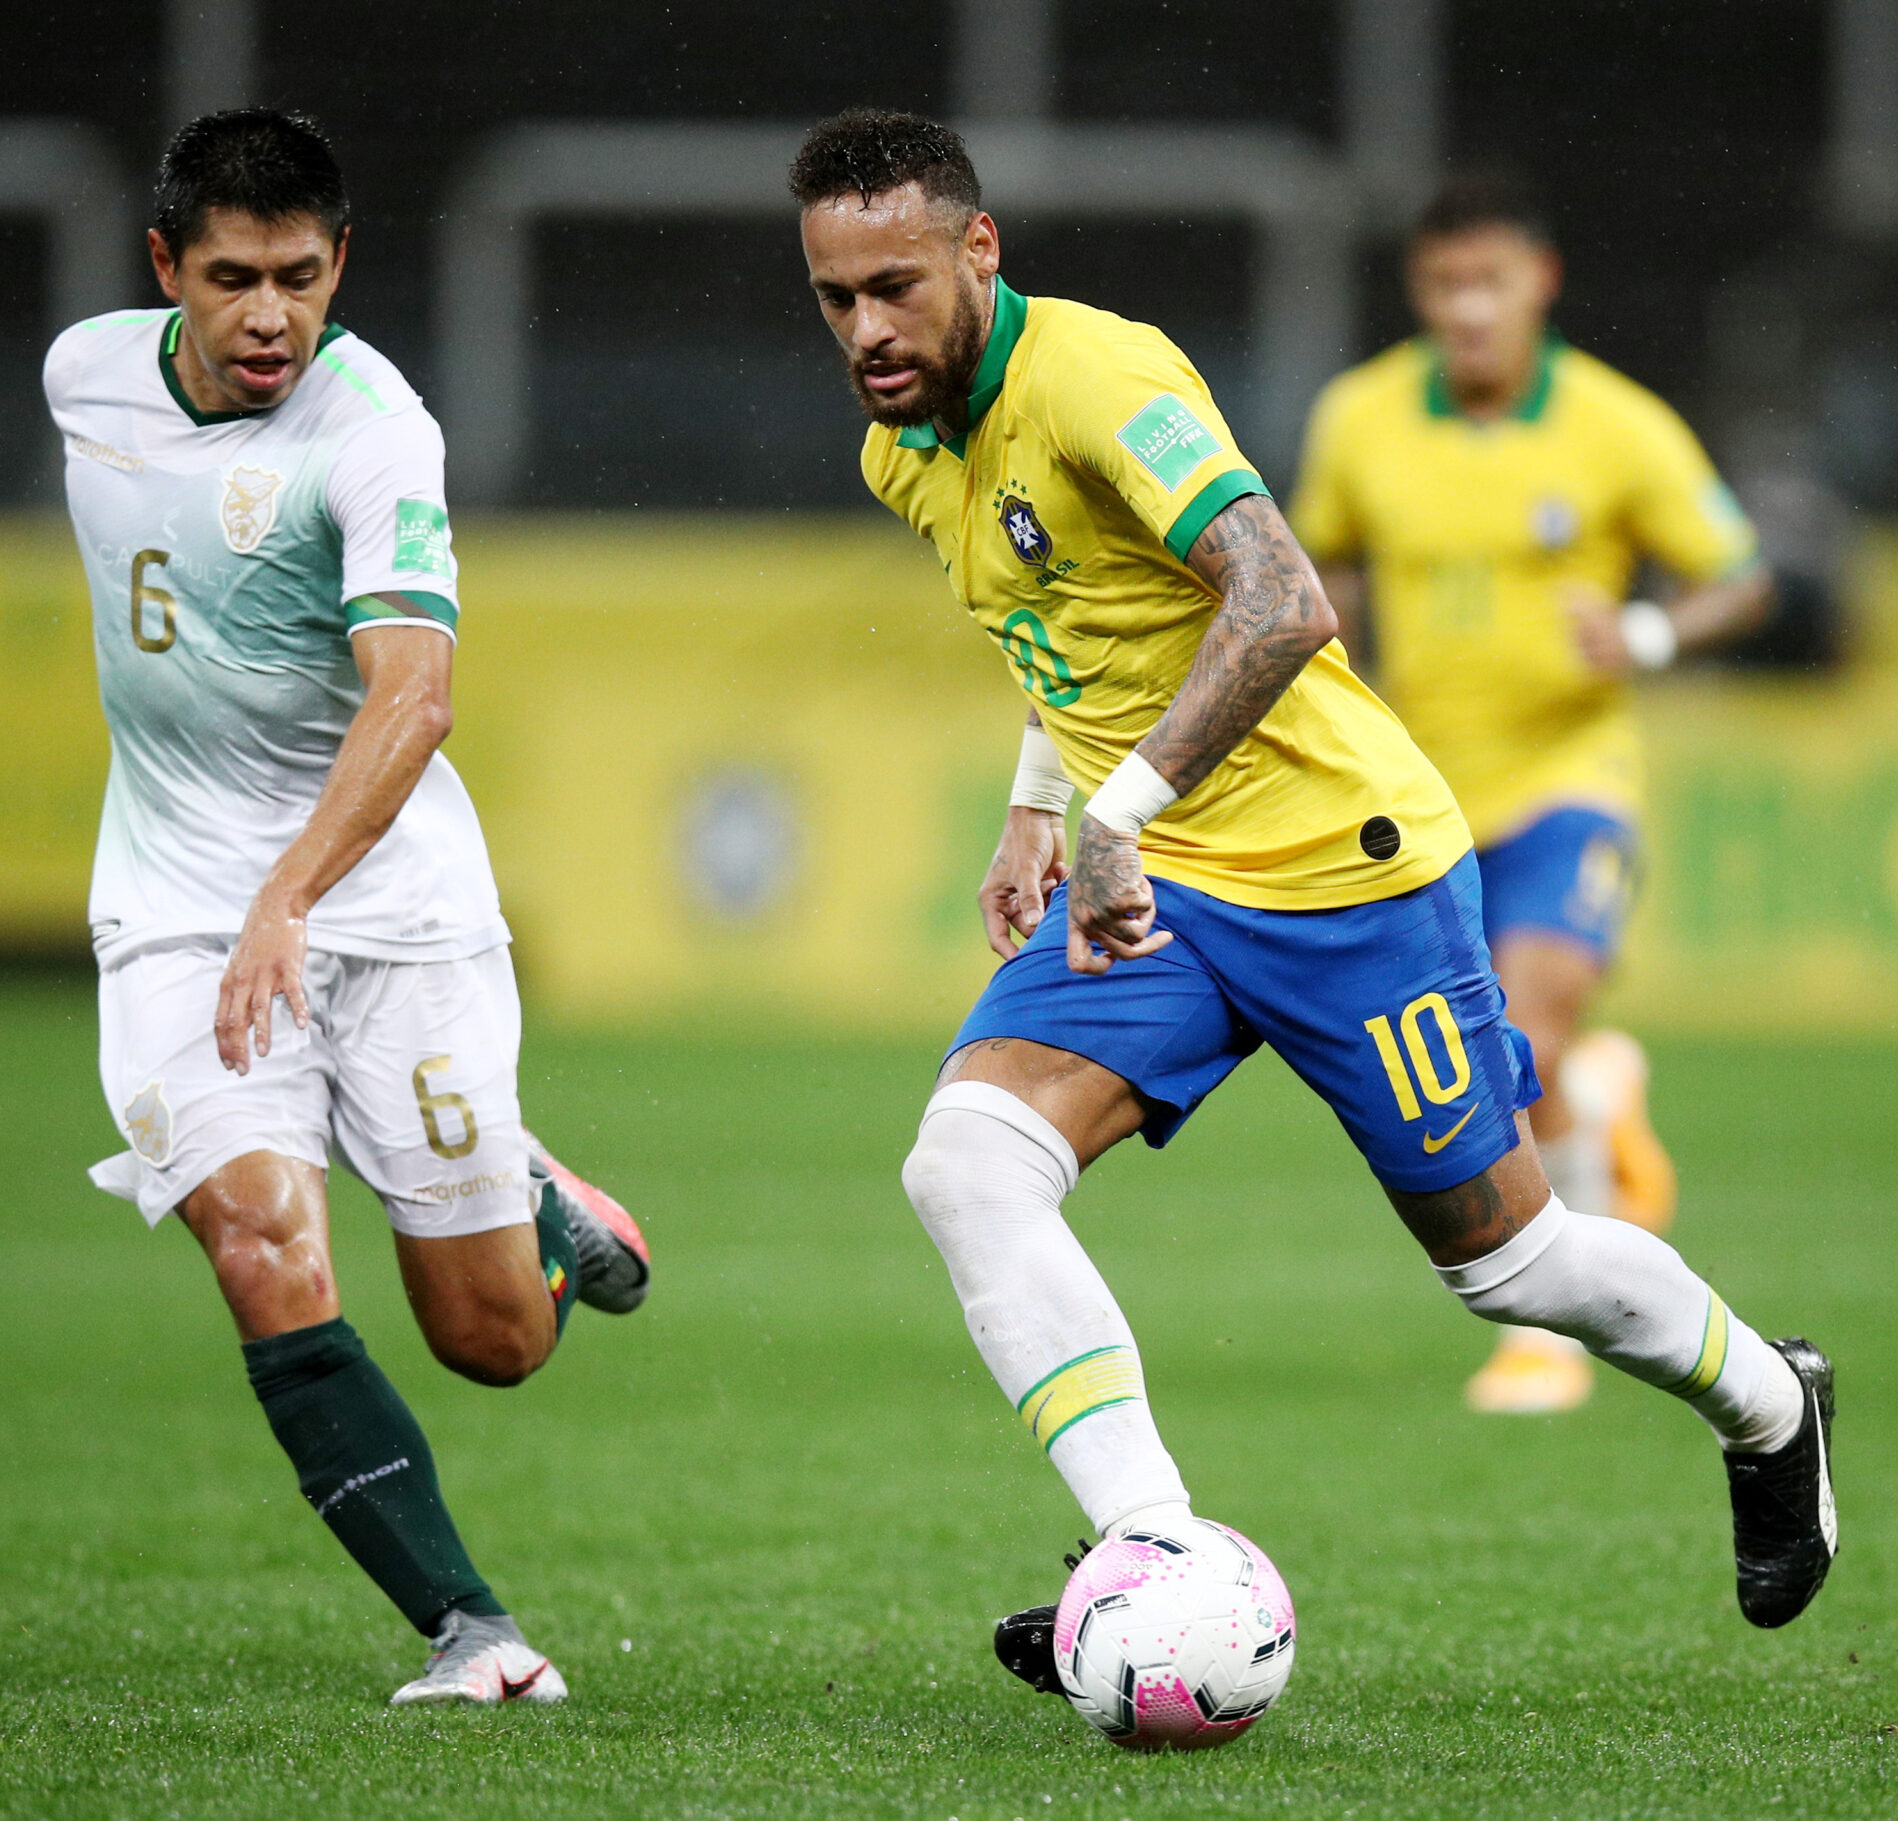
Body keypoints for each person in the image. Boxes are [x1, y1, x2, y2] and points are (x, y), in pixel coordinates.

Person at [788, 108, 1838, 1687]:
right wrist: (1037, 811)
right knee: (968, 1163)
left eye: (896, 284)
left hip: (1349, 870)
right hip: (1167, 888)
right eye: (834, 296)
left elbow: (1282, 594)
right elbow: (1074, 621)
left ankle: (1772, 1402)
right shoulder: (902, 447)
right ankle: (1153, 1545)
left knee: (1512, 1268)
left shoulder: (1096, 376)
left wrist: (1116, 812)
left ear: (978, 252)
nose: (868, 328)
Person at [45, 109, 651, 1707]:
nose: (269, 319)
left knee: (495, 1341)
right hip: (179, 911)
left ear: (341, 265)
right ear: (163, 266)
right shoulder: (83, 375)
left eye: (301, 280)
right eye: (232, 279)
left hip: (390, 916)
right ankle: (474, 1632)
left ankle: (529, 1202)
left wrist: (290, 898)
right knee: (263, 1247)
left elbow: (418, 699)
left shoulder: (374, 432)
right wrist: (242, 908)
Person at [1290, 170, 1774, 1415]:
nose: (1465, 310)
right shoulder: (1360, 418)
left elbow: (1739, 573)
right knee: (1491, 1058)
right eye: (1443, 284)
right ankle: (1603, 1115)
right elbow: (1319, 575)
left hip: (1572, 783)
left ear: (1539, 283)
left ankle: (1552, 1334)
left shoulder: (1616, 426)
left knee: (1529, 1035)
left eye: (1488, 281)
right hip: (1420, 793)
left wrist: (1648, 638)